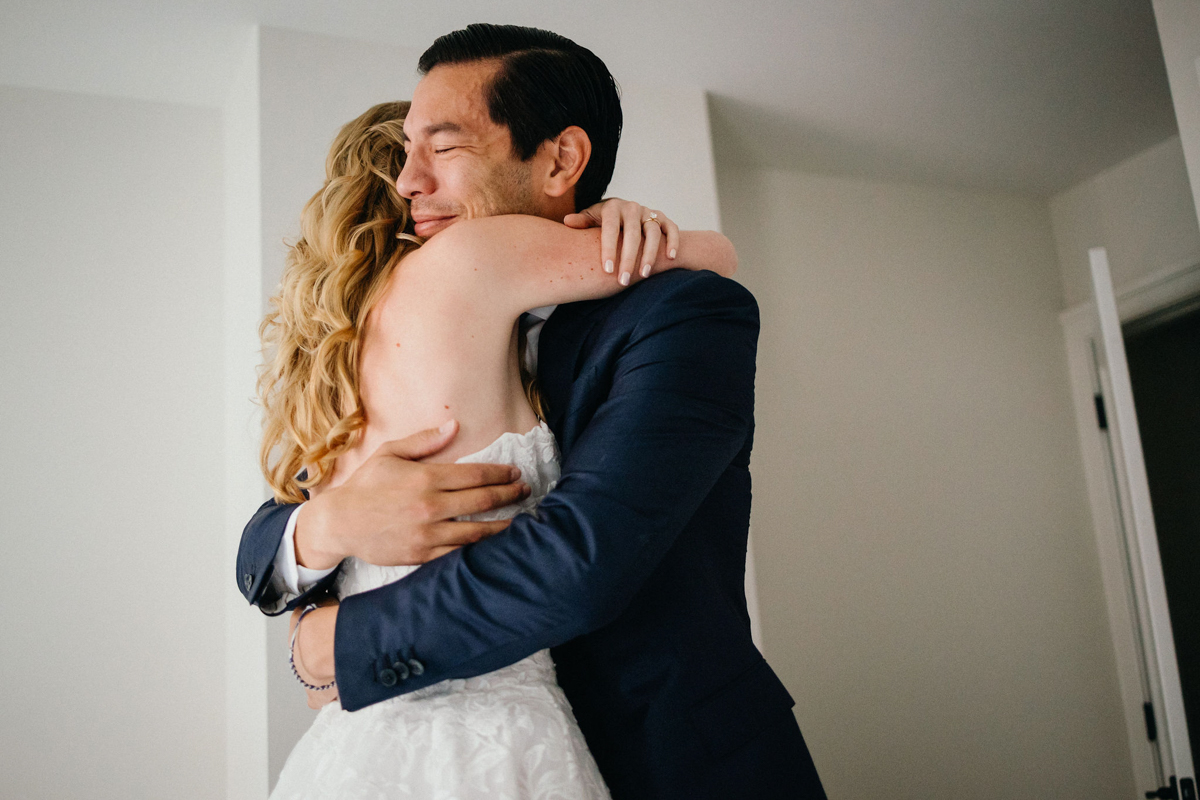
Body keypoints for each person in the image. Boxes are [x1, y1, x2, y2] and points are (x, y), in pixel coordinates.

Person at [239, 24, 827, 799]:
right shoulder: (409, 328)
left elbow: (579, 556)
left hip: (669, 758)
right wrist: (328, 524)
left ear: (559, 159)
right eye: (405, 153)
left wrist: (332, 646)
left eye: (442, 149)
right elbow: (264, 543)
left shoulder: (683, 313)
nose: (409, 182)